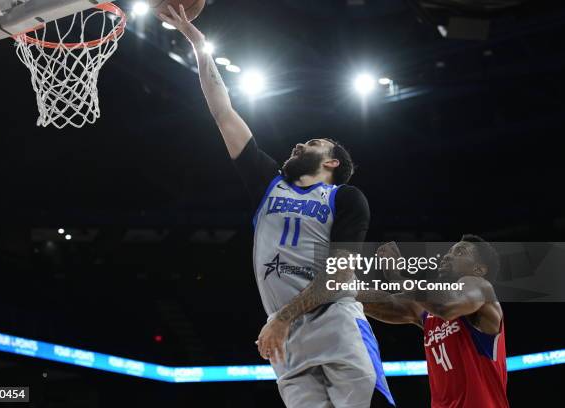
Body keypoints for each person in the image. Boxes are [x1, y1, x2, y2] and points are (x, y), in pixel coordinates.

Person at [158, 5, 394, 407]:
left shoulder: (346, 199)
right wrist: (200, 47)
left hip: (334, 322)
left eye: (314, 144)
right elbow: (223, 111)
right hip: (286, 337)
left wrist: (282, 318)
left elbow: (337, 279)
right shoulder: (268, 183)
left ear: (332, 162)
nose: (300, 145)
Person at [359, 236, 508, 408]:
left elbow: (447, 307)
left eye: (460, 252)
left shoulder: (480, 287)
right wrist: (341, 289)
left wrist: (400, 275)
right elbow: (387, 303)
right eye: (449, 251)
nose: (447, 256)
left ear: (479, 270)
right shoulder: (429, 309)